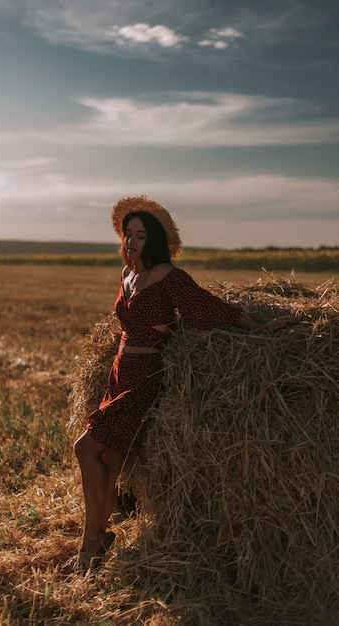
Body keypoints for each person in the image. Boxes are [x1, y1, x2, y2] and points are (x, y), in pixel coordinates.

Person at [63, 195, 297, 574]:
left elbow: (207, 308)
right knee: (108, 458)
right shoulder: (129, 275)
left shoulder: (169, 277)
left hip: (144, 376)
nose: (132, 241)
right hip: (119, 371)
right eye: (128, 234)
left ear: (154, 239)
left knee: (86, 448)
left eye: (140, 235)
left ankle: (90, 546)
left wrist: (261, 329)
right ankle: (100, 540)